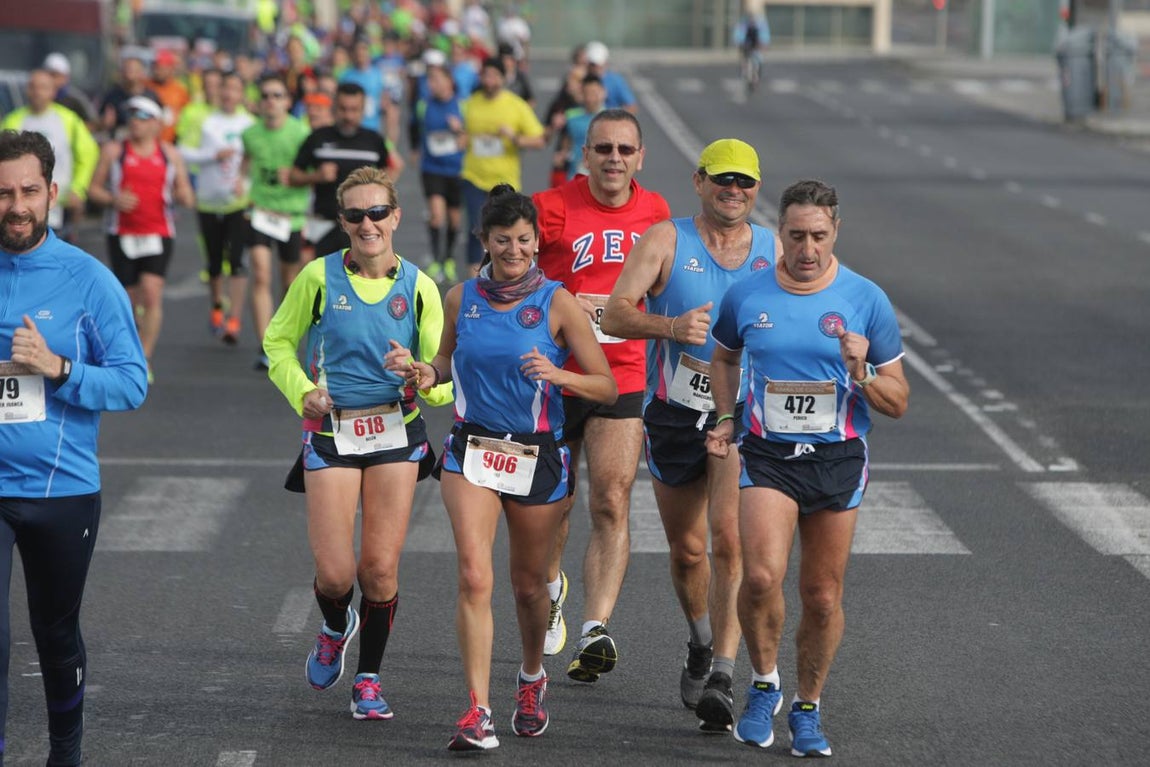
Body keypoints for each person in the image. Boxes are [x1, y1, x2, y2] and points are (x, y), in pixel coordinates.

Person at [406, 185, 616, 751]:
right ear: (485, 242)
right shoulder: (461, 298)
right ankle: (477, 711)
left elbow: (605, 382)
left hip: (535, 452)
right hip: (471, 448)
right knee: (475, 576)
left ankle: (530, 678)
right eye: (504, 241)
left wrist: (561, 375)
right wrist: (426, 374)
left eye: (525, 240)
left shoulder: (556, 302)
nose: (515, 250)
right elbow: (445, 362)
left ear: (535, 241)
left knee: (528, 587)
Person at [705, 179, 909, 755]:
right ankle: (764, 682)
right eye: (796, 236)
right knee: (763, 576)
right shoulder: (747, 296)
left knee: (821, 596)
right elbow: (723, 356)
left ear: (835, 232)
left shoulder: (865, 299)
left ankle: (808, 705)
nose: (807, 248)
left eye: (819, 236)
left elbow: (899, 401)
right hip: (768, 456)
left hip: (837, 457)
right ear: (780, 234)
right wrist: (725, 416)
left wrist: (864, 373)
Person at [600, 139, 780, 729]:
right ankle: (701, 642)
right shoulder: (666, 239)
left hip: (742, 414)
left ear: (757, 189)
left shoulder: (772, 248)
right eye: (722, 179)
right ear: (699, 181)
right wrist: (670, 325)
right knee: (690, 550)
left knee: (730, 540)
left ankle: (724, 676)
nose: (735, 191)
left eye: (745, 182)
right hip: (675, 413)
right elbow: (615, 313)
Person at [263, 165, 452, 721]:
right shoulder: (318, 279)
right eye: (355, 215)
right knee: (337, 575)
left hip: (396, 430)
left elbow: (441, 378)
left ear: (396, 216)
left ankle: (368, 678)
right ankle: (332, 624)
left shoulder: (420, 286)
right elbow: (278, 343)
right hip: (332, 431)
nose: (367, 224)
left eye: (377, 213)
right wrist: (303, 392)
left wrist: (420, 374)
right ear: (342, 222)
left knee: (379, 570)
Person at [0, 129, 148, 767]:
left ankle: (67, 753)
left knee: (55, 634)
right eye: (3, 193)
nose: (16, 205)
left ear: (52, 193)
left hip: (61, 490)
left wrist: (58, 367)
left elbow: (132, 382)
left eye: (29, 190)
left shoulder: (90, 281)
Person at [531, 110, 671, 680]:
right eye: (604, 148)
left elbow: (665, 282)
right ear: (584, 154)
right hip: (557, 375)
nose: (614, 159)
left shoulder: (657, 213)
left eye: (625, 149)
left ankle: (595, 629)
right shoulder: (551, 207)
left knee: (611, 499)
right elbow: (506, 268)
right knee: (555, 505)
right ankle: (552, 588)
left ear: (641, 157)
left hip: (625, 372)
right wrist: (569, 302)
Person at [86, 96, 195, 384]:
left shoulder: (169, 153)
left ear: (156, 124)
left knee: (152, 292)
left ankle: (143, 357)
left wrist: (184, 196)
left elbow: (185, 191)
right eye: (131, 115)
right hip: (121, 232)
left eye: (142, 116)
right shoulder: (113, 151)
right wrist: (113, 199)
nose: (135, 121)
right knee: (127, 299)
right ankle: (128, 349)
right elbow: (93, 190)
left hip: (158, 232)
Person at [290, 81, 405, 267]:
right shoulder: (318, 138)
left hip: (362, 226)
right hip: (324, 224)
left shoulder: (373, 140)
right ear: (334, 107)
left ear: (363, 110)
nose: (348, 115)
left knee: (361, 281)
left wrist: (379, 193)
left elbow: (394, 166)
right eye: (343, 109)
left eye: (354, 109)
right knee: (320, 282)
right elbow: (293, 176)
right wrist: (316, 176)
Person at [241, 74, 313, 370]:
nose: (271, 101)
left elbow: (311, 172)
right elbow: (246, 166)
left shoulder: (300, 133)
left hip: (290, 215)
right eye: (266, 96)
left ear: (288, 102)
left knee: (288, 282)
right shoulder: (251, 134)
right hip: (259, 211)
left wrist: (297, 178)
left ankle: (285, 339)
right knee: (260, 274)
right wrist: (242, 187)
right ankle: (265, 345)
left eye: (277, 96)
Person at [178, 70, 254, 345]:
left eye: (235, 89)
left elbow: (256, 160)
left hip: (239, 202)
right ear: (218, 91)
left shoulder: (250, 123)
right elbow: (183, 152)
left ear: (242, 93)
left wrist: (245, 183)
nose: (229, 94)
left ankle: (234, 318)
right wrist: (212, 156)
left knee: (237, 260)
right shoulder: (205, 120)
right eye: (225, 88)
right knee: (213, 262)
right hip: (208, 200)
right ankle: (216, 305)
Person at [459, 57, 544, 276]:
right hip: (474, 175)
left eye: (494, 76)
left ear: (502, 78)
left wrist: (515, 138)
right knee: (476, 228)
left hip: (504, 181)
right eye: (485, 75)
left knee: (505, 231)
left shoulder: (515, 105)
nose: (489, 80)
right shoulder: (471, 103)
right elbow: (462, 133)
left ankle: (503, 275)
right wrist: (461, 137)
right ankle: (474, 279)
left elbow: (539, 139)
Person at [1, 70, 99, 243]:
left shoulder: (69, 120)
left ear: (53, 91)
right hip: (22, 203)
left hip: (62, 203)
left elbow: (88, 154)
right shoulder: (13, 121)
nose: (37, 92)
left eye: (43, 87)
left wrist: (78, 188)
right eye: (33, 87)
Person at [411, 63, 465, 283]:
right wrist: (415, 148)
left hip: (457, 169)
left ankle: (449, 258)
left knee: (454, 220)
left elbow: (468, 137)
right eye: (430, 80)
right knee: (436, 215)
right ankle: (435, 259)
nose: (433, 84)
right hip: (431, 168)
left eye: (437, 79)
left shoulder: (462, 106)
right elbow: (413, 126)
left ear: (449, 81)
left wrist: (459, 130)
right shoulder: (424, 105)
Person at [557, 74, 606, 180]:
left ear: (603, 93)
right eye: (588, 93)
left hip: (601, 176)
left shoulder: (612, 118)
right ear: (582, 94)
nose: (591, 97)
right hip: (575, 174)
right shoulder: (571, 116)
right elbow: (566, 141)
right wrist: (563, 154)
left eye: (594, 93)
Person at [582, 42, 637, 114]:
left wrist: (613, 119)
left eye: (598, 64)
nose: (596, 68)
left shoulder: (615, 81)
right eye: (593, 64)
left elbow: (631, 106)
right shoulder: (578, 78)